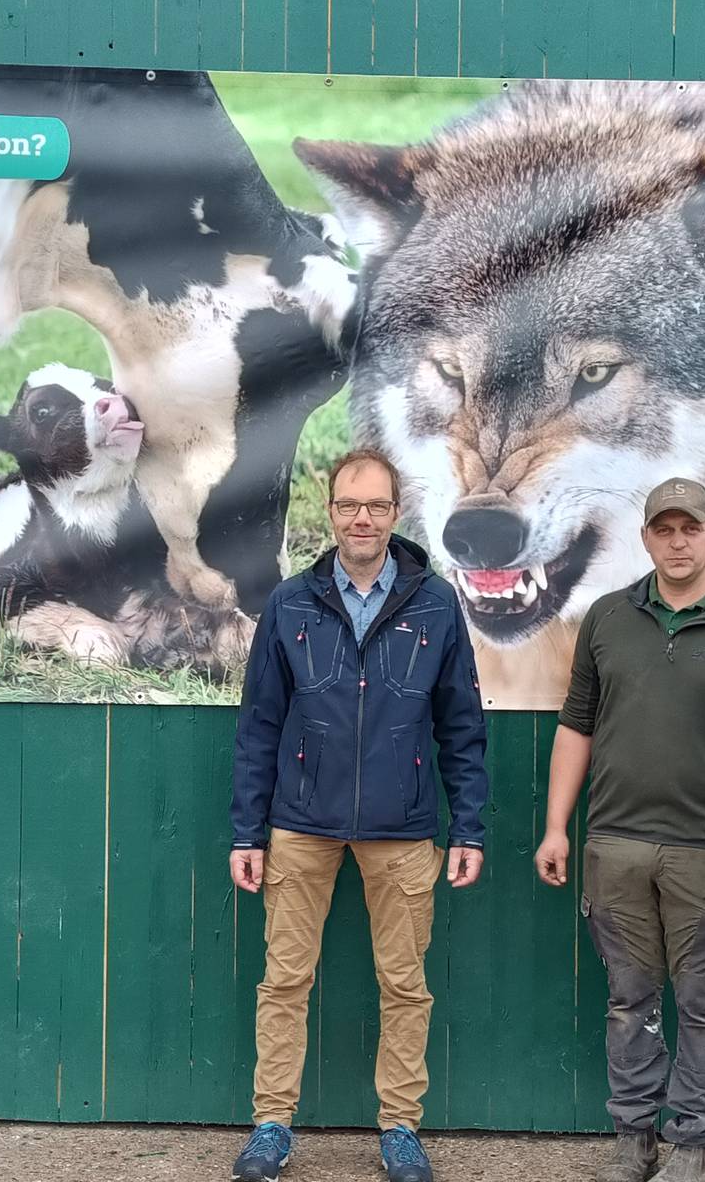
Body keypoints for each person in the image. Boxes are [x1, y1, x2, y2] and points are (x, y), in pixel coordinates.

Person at [226, 449, 490, 1182]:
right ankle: (272, 1126)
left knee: (405, 985)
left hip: (402, 829)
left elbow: (462, 726)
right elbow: (259, 726)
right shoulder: (291, 603)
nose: (362, 518)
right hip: (299, 824)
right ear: (331, 511)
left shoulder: (436, 604)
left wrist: (468, 826)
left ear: (395, 513)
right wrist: (248, 832)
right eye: (349, 505)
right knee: (284, 982)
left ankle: (400, 1128)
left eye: (375, 505)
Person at [533, 476, 705, 1182]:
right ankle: (634, 1139)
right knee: (629, 1002)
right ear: (646, 537)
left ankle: (693, 1146)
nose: (678, 542)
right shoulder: (608, 618)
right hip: (615, 848)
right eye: (664, 529)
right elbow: (576, 726)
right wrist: (556, 827)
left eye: (690, 528)